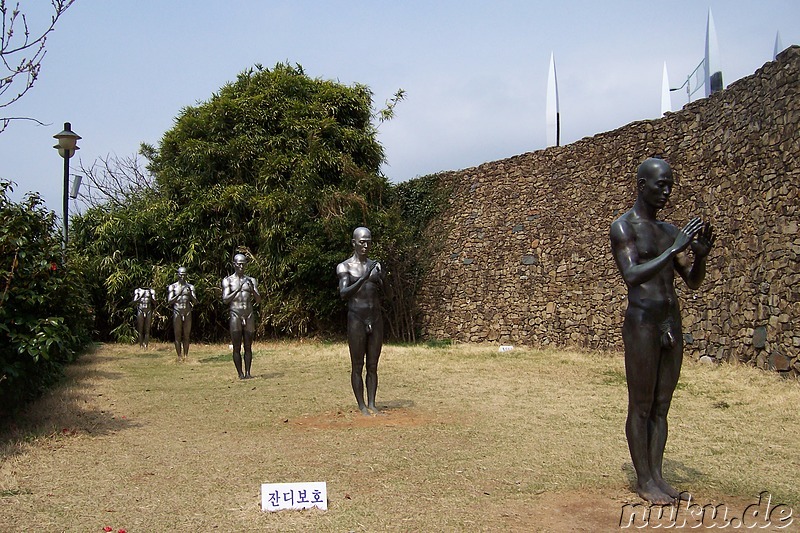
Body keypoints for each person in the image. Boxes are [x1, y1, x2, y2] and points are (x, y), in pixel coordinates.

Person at [610, 157, 714, 505]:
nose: (667, 192)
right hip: (642, 323)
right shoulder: (624, 228)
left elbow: (693, 282)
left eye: (671, 184)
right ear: (641, 185)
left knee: (662, 404)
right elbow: (632, 275)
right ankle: (644, 481)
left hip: (671, 322)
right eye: (661, 185)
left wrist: (699, 256)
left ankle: (658, 476)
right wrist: (675, 249)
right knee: (640, 405)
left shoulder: (671, 231)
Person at [337, 227, 385, 416]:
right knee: (358, 364)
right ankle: (362, 405)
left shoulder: (376, 265)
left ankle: (372, 402)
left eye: (368, 242)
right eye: (362, 242)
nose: (365, 245)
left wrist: (383, 279)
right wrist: (364, 277)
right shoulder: (345, 266)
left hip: (376, 317)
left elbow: (389, 295)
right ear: (354, 243)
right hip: (356, 317)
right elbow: (343, 293)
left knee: (373, 364)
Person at [222, 254, 261, 379]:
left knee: (248, 346)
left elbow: (258, 299)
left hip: (248, 313)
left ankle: (248, 372)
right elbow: (225, 299)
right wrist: (238, 289)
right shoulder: (228, 280)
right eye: (239, 263)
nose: (241, 266)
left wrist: (253, 290)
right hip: (235, 313)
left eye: (243, 263)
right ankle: (240, 373)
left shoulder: (251, 280)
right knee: (237, 346)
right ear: (234, 264)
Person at [167, 266, 198, 361]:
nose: (182, 276)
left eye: (184, 275)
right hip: (177, 311)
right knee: (177, 335)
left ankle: (186, 355)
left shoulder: (190, 287)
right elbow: (169, 301)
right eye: (180, 274)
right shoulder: (173, 287)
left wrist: (190, 296)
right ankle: (179, 356)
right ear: (177, 275)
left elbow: (196, 301)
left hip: (187, 311)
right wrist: (179, 294)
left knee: (187, 335)